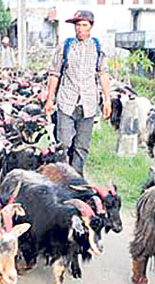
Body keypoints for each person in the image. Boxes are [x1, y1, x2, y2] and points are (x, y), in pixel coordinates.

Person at [44, 10, 112, 175]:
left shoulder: (97, 48)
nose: (80, 29)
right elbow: (54, 73)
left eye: (84, 25)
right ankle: (60, 175)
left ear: (91, 26)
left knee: (81, 146)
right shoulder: (66, 47)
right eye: (77, 25)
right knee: (64, 143)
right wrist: (49, 99)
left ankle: (76, 179)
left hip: (88, 103)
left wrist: (107, 100)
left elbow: (103, 73)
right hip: (67, 101)